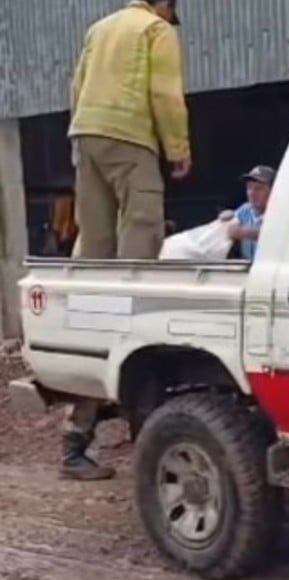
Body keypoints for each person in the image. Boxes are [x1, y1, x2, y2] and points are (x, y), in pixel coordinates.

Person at [62, 0, 191, 481]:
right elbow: (165, 93)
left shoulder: (101, 27)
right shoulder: (155, 29)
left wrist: (83, 136)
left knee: (94, 240)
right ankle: (132, 313)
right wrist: (177, 149)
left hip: (86, 134)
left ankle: (92, 301)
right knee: (142, 226)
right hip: (130, 135)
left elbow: (76, 86)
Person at [225, 165, 276, 260]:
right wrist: (225, 218)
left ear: (273, 190)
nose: (252, 193)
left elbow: (279, 235)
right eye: (249, 188)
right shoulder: (245, 209)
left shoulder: (282, 211)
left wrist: (246, 233)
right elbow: (231, 222)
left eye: (258, 189)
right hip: (248, 270)